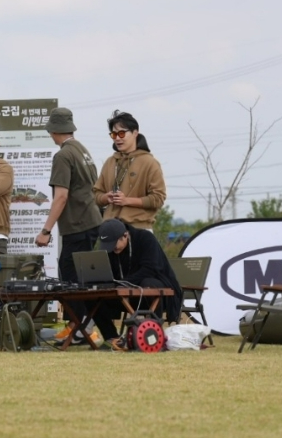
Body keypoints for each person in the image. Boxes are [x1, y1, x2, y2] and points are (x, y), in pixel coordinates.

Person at [34, 107, 103, 344]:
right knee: (80, 279)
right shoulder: (82, 150)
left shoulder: (62, 155)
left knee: (68, 277)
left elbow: (61, 196)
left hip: (77, 223)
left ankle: (80, 327)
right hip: (92, 219)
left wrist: (45, 231)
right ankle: (82, 325)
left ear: (54, 130)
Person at [92, 218, 183, 350]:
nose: (112, 248)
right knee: (93, 297)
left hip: (154, 291)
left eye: (114, 243)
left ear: (125, 235)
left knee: (148, 283)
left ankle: (154, 336)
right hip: (125, 295)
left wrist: (123, 283)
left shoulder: (145, 238)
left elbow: (150, 268)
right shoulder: (112, 250)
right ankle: (112, 339)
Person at [93, 110, 166, 230]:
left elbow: (158, 199)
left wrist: (126, 201)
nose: (117, 138)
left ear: (135, 133)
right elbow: (96, 194)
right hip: (110, 229)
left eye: (121, 133)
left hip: (139, 229)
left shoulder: (150, 163)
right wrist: (106, 198)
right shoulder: (110, 162)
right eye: (113, 134)